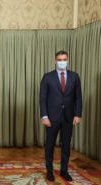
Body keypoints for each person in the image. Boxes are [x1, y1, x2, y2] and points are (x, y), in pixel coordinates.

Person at [40, 50, 82, 182]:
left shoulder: (75, 76)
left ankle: (64, 170)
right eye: (59, 59)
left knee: (66, 145)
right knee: (50, 145)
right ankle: (50, 171)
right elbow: (43, 98)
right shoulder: (47, 77)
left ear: (67, 60)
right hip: (52, 118)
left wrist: (78, 114)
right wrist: (44, 116)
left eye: (64, 59)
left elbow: (78, 98)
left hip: (68, 117)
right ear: (55, 61)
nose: (62, 62)